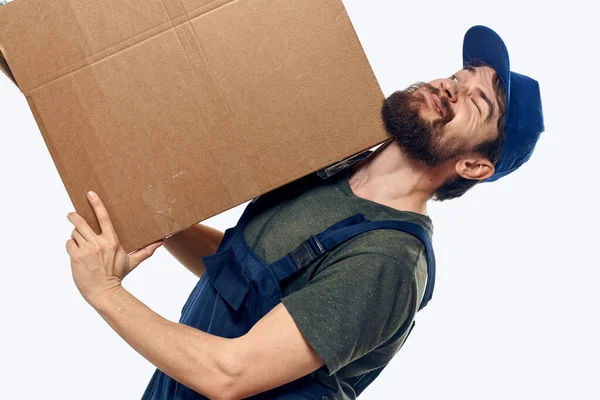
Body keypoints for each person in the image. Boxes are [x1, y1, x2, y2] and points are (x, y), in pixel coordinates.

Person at [65, 25, 544, 400]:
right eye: (457, 77)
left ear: (474, 165)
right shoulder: (332, 167)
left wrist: (104, 292)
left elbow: (230, 374)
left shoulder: (388, 261)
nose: (449, 87)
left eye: (476, 102)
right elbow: (246, 272)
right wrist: (163, 224)